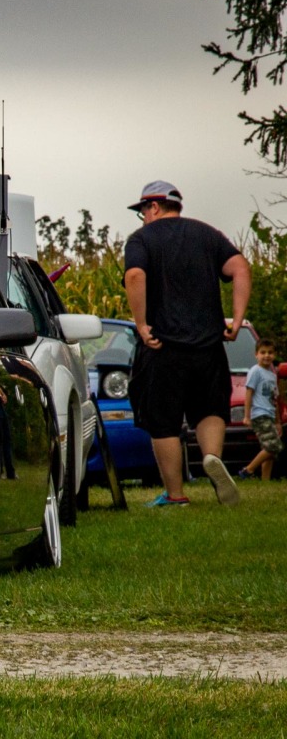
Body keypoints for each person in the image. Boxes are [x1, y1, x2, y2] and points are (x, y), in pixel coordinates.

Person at [123, 180, 250, 507]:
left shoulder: (142, 239)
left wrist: (141, 325)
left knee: (163, 421)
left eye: (143, 211)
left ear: (153, 207)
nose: (143, 218)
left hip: (162, 346)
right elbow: (240, 268)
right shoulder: (207, 235)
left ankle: (175, 495)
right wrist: (237, 320)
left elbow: (135, 276)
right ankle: (212, 457)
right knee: (210, 408)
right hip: (208, 346)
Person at [238, 338, 282, 480]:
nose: (267, 355)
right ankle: (248, 470)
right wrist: (247, 416)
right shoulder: (255, 371)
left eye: (270, 352)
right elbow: (249, 393)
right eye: (263, 352)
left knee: (268, 449)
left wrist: (278, 421)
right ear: (256, 354)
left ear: (274, 355)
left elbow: (274, 399)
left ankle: (265, 480)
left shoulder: (272, 375)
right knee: (274, 446)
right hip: (259, 414)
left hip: (270, 415)